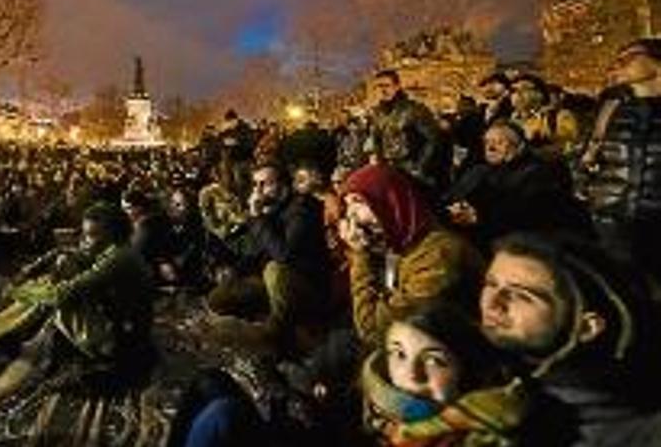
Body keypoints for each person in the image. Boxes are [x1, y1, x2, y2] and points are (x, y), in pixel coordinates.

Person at [480, 233, 661, 445]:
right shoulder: (484, 364)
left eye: (522, 295)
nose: (493, 303)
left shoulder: (628, 427)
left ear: (587, 327)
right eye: (491, 283)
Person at [0, 202, 154, 410]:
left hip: (119, 340)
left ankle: (0, 333)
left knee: (58, 300)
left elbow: (63, 293)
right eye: (85, 234)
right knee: (63, 265)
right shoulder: (116, 249)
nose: (86, 241)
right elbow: (67, 253)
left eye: (92, 235)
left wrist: (17, 291)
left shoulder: (118, 258)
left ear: (111, 233)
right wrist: (29, 272)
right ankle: (8, 331)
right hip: (117, 322)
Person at [339, 164, 484, 344]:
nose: (350, 215)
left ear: (391, 202)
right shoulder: (397, 244)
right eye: (347, 205)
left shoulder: (438, 255)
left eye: (358, 202)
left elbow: (373, 331)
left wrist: (359, 256)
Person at [207, 161, 332, 353]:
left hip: (307, 286)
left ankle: (280, 335)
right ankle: (261, 323)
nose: (258, 190)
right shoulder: (271, 208)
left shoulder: (301, 210)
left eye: (265, 184)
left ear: (283, 186)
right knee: (218, 299)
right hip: (271, 284)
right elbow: (254, 251)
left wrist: (258, 218)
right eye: (255, 184)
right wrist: (233, 272)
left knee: (274, 270)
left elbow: (284, 256)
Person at [360, 303, 525, 446]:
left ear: (468, 372)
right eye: (399, 354)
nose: (412, 375)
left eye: (434, 361)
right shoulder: (362, 420)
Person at [580, 38, 661, 284]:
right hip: (612, 222)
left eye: (631, 55)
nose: (620, 62)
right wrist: (589, 191)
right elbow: (587, 153)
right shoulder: (610, 107)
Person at [443, 121, 592, 252]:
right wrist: (455, 208)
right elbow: (450, 197)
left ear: (520, 147)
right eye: (487, 142)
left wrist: (478, 218)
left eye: (499, 142)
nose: (490, 148)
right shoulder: (478, 171)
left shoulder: (541, 173)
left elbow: (527, 214)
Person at [368, 70, 446, 193]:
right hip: (388, 170)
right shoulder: (377, 113)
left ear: (397, 86)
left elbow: (433, 139)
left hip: (411, 169)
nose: (383, 90)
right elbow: (377, 139)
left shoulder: (414, 109)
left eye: (387, 86)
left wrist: (420, 166)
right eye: (379, 86)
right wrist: (380, 162)